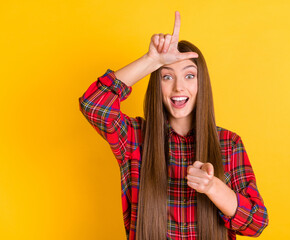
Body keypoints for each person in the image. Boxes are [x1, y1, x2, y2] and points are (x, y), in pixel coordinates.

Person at [79, 11, 268, 240]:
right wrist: (152, 60)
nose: (179, 87)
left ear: (202, 83)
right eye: (167, 77)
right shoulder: (134, 138)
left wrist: (213, 188)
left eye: (189, 76)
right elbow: (93, 103)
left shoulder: (229, 143)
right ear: (157, 86)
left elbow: (256, 224)